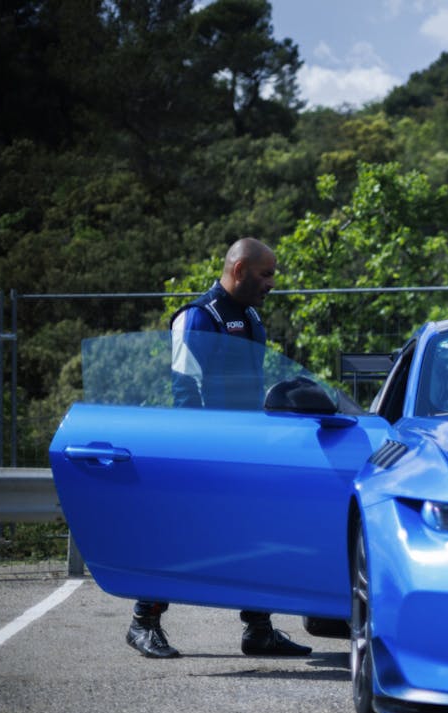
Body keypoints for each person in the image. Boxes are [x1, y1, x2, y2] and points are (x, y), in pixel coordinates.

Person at [125, 238, 312, 659]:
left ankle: (259, 630)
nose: (272, 283)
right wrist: (202, 450)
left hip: (248, 447)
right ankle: (142, 622)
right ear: (240, 269)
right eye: (266, 274)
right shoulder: (197, 317)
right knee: (182, 534)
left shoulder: (249, 316)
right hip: (206, 451)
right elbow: (185, 388)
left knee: (258, 532)